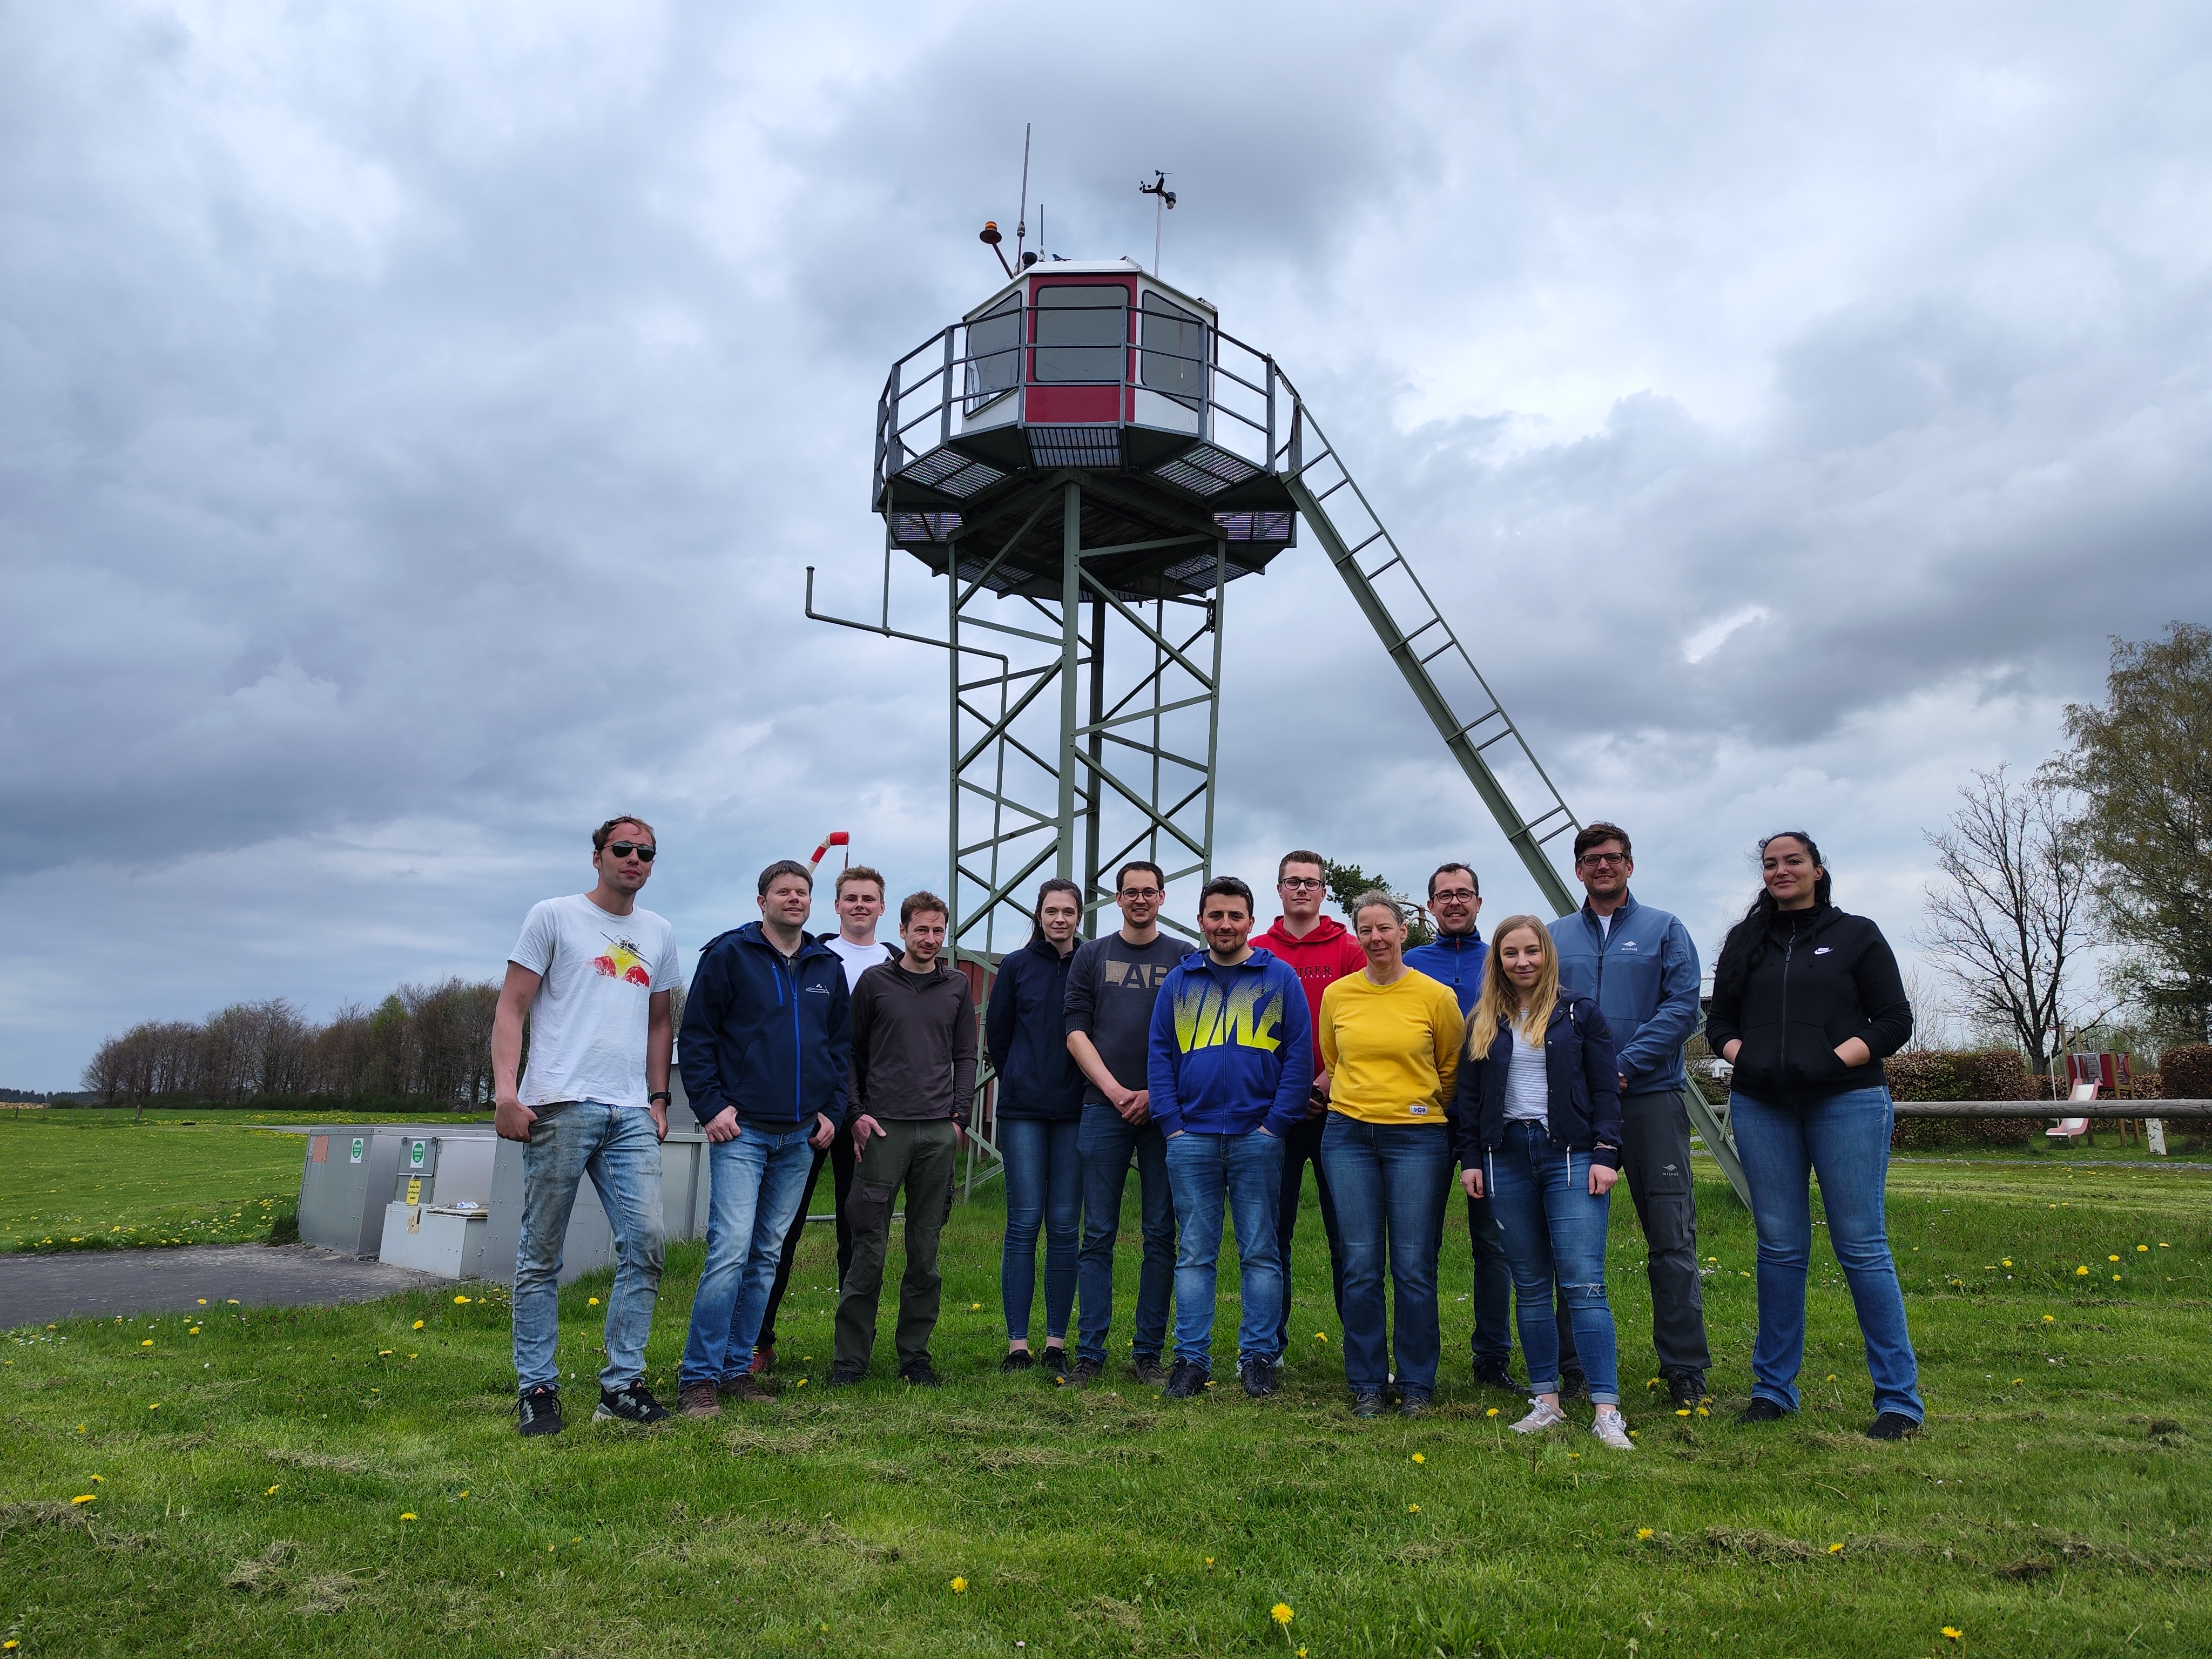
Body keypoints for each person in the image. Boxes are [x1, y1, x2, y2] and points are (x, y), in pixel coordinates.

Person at [1705, 832, 1920, 1440]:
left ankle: (1898, 1401)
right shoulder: (1746, 941)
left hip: (1846, 1102)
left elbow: (1894, 1020)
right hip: (1763, 1107)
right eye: (1770, 864)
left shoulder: (1857, 935)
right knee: (1778, 1249)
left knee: (1862, 1247)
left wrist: (1831, 1061)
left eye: (1792, 861)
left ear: (1817, 870)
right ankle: (1773, 1391)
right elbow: (1718, 1023)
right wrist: (1747, 1057)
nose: (1781, 871)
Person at [494, 816, 682, 1435]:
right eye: (622, 848)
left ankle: (621, 1386)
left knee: (646, 1244)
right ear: (597, 855)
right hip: (559, 1103)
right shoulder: (553, 916)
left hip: (630, 1113)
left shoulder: (659, 932)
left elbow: (660, 1022)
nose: (634, 859)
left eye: (645, 853)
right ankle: (537, 1389)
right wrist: (506, 1093)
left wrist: (659, 1100)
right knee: (541, 1253)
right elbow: (512, 1006)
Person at [675, 860, 849, 1418]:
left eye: (802, 892)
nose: (794, 899)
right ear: (762, 901)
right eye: (783, 892)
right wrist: (710, 1106)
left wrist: (833, 1110)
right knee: (729, 1251)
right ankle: (697, 1378)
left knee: (766, 1254)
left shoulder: (827, 966)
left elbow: (839, 1048)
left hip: (800, 1136)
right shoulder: (729, 955)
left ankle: (734, 1369)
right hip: (742, 1131)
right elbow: (696, 1037)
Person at [1454, 915, 1635, 1451]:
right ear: (1498, 961)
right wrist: (1471, 1159)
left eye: (1531, 951)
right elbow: (1469, 1098)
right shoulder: (1483, 1020)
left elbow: (1605, 1090)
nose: (1522, 962)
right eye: (1510, 953)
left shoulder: (1579, 1013)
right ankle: (1546, 1401)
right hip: (1505, 1156)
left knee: (1583, 1284)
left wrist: (1607, 1153)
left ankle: (1606, 1409)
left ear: (1547, 954)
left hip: (1571, 1157)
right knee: (1530, 1284)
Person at [1549, 822, 1712, 1410]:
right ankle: (1574, 1367)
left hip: (1649, 1099)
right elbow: (1538, 1008)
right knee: (1571, 1242)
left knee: (1670, 1238)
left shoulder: (1665, 929)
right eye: (1592, 859)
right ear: (1578, 869)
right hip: (1575, 1109)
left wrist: (1622, 1066)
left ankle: (1684, 1367)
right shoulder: (1553, 937)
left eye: (1613, 857)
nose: (1603, 866)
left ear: (1629, 865)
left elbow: (1682, 1009)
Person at [1148, 876, 1311, 1400]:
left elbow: (1298, 1055)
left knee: (1260, 1251)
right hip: (1190, 1138)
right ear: (1201, 921)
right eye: (1215, 916)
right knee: (1195, 1253)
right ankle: (1191, 1360)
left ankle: (1257, 1357)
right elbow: (1159, 1055)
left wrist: (1276, 1124)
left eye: (1235, 916)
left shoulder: (1279, 977)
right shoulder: (1180, 981)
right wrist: (1171, 1125)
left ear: (1250, 921)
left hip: (1257, 1138)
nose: (1225, 925)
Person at [1318, 893, 1465, 1418]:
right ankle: (1366, 1383)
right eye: (1366, 929)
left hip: (1416, 1138)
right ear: (1356, 935)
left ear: (1404, 932)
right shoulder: (1338, 995)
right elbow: (1332, 1061)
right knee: (1359, 1264)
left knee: (1413, 1265)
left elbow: (1450, 1067)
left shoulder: (1435, 996)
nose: (1376, 938)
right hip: (1348, 1136)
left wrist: (1418, 1107)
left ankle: (1417, 1383)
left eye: (1385, 928)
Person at [751, 865, 899, 1374]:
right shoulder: (813, 957)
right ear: (835, 906)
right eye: (851, 898)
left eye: (869, 899)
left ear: (882, 907)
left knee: (858, 1233)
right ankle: (758, 1340)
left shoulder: (897, 962)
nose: (860, 906)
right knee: (782, 1229)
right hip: (815, 1115)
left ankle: (851, 1350)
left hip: (871, 1119)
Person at [830, 892, 977, 1387]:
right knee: (868, 1249)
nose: (930, 939)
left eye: (938, 931)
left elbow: (966, 1055)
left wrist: (959, 1118)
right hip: (883, 1131)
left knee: (925, 1251)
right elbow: (850, 1054)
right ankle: (850, 1362)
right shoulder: (875, 983)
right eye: (921, 930)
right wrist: (856, 1115)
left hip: (937, 1132)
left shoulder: (957, 986)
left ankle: (915, 1357)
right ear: (903, 930)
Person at [1402, 862, 1523, 1395]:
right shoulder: (1410, 964)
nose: (1455, 902)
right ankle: (1416, 1362)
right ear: (1430, 905)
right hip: (1424, 1120)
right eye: (1445, 895)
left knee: (1493, 1245)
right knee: (1417, 1247)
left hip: (1491, 1120)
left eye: (1464, 894)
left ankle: (1492, 1359)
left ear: (1478, 902)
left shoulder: (1501, 961)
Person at [1065, 861, 1186, 1386]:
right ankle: (1090, 1353)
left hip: (1167, 1112)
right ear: (1117, 899)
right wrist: (1116, 1092)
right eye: (1130, 891)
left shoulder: (1184, 957)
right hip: (1103, 1106)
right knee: (1097, 1234)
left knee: (1161, 1234)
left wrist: (1156, 1095)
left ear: (1162, 897)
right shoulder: (1092, 955)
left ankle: (1148, 1354)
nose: (1140, 899)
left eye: (1148, 891)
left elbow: (1193, 1037)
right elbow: (1075, 1031)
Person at [1256, 850, 1368, 1361]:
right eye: (1292, 881)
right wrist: (1287, 1094)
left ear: (1324, 891)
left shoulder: (1350, 949)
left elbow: (1363, 1025)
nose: (1302, 889)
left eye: (1311, 882)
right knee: (1270, 1235)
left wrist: (1321, 1085)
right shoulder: (1259, 950)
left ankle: (1361, 1350)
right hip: (1272, 1114)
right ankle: (1268, 1345)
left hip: (1336, 1110)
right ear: (1279, 889)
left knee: (1347, 1237)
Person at [985, 878, 1087, 1375]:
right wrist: (1021, 1078)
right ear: (1039, 915)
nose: (1060, 919)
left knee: (1065, 1225)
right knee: (1024, 1223)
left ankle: (1056, 1343)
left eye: (1068, 911)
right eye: (1052, 911)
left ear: (1079, 916)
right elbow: (998, 1035)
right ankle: (1017, 1345)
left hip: (1077, 1110)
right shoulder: (1016, 965)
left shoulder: (1092, 963)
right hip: (1023, 1111)